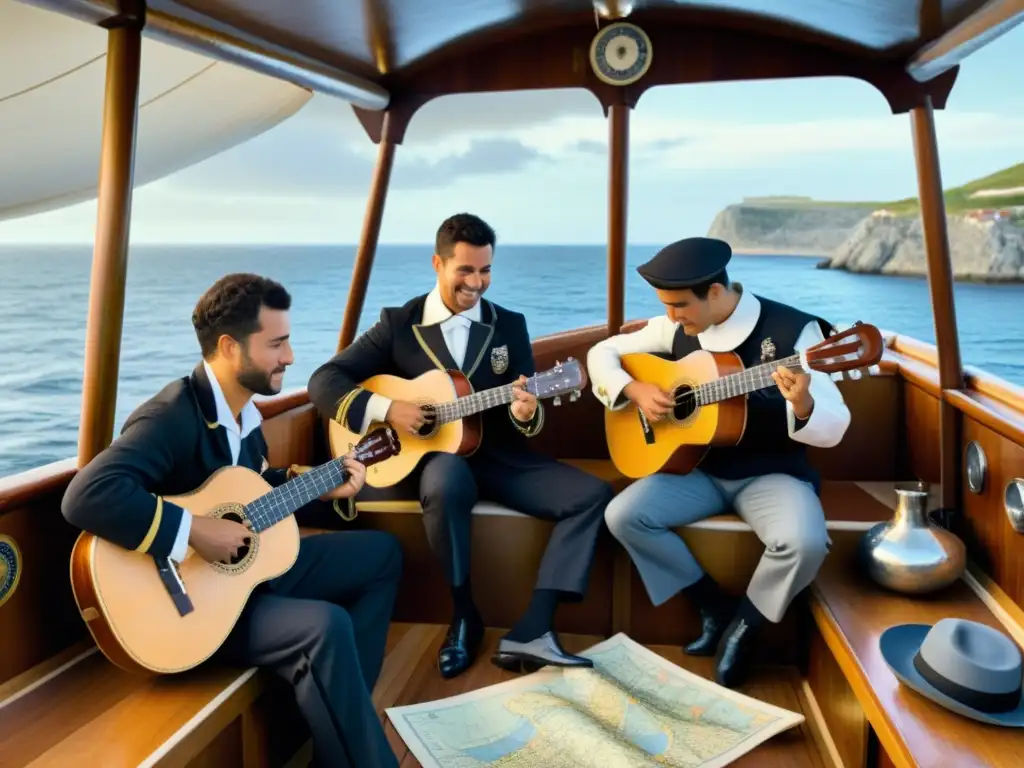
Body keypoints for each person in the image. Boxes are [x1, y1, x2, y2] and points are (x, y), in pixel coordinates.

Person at [61, 274, 402, 768]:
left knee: (381, 555)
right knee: (324, 625)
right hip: (190, 608)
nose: (290, 357)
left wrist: (320, 486)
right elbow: (86, 496)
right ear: (229, 346)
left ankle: (348, 721)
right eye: (277, 344)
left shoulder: (247, 420)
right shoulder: (172, 415)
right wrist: (197, 531)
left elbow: (253, 495)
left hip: (243, 582)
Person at [308, 213, 613, 680]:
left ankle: (533, 627)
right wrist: (389, 410)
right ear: (438, 263)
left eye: (486, 270)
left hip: (499, 457)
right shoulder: (399, 324)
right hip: (429, 461)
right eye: (465, 271)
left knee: (591, 497)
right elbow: (323, 380)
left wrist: (526, 412)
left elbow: (527, 404)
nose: (477, 283)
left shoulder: (509, 325)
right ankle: (464, 612)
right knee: (447, 481)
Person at [587, 237, 851, 689]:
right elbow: (602, 353)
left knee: (803, 543)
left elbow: (837, 425)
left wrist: (804, 402)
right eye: (666, 306)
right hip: (698, 469)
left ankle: (745, 627)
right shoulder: (676, 328)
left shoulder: (797, 332)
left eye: (679, 305)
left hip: (773, 473)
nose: (672, 317)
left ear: (714, 292)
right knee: (623, 515)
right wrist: (634, 390)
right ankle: (712, 607)